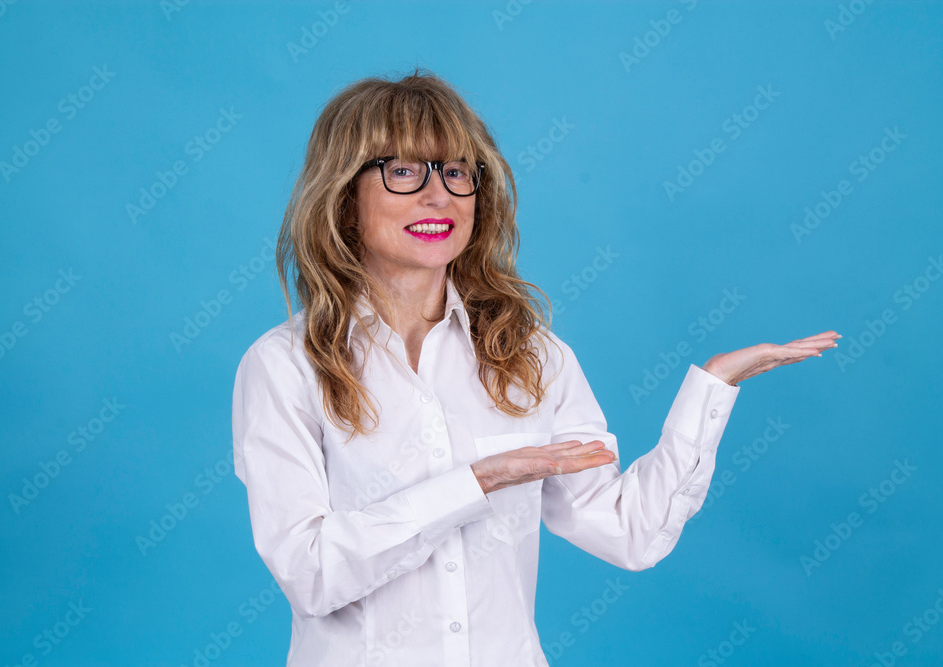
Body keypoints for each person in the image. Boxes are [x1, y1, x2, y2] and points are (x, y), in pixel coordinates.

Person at [231, 67, 839, 666]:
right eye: (405, 170)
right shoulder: (284, 366)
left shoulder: (532, 357)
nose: (438, 195)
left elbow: (629, 533)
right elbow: (311, 573)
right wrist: (478, 481)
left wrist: (712, 389)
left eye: (456, 171)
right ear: (344, 198)